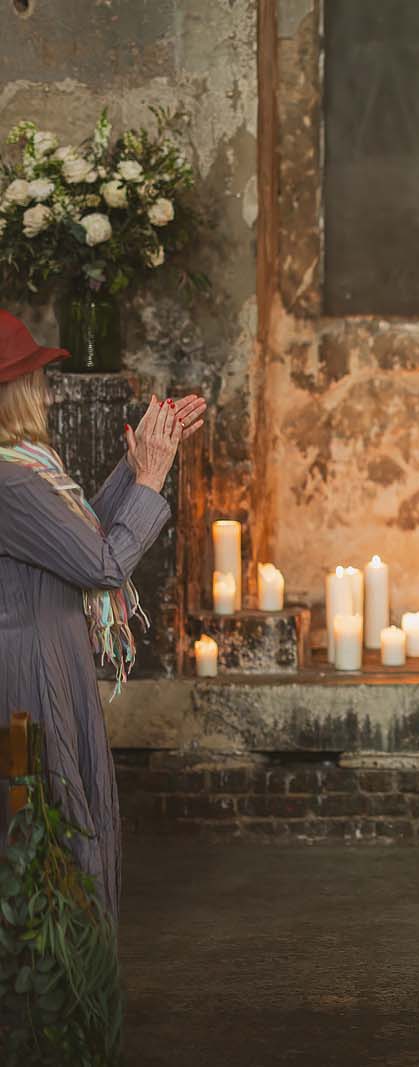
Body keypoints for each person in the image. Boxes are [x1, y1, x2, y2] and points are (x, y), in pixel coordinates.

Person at [0, 310, 205, 921]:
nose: (47, 389)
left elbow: (77, 534)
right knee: (53, 812)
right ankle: (55, 990)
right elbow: (104, 565)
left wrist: (138, 464)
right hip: (33, 669)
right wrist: (151, 476)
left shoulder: (24, 466)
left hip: (48, 654)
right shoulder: (12, 480)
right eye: (36, 377)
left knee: (59, 805)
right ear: (17, 392)